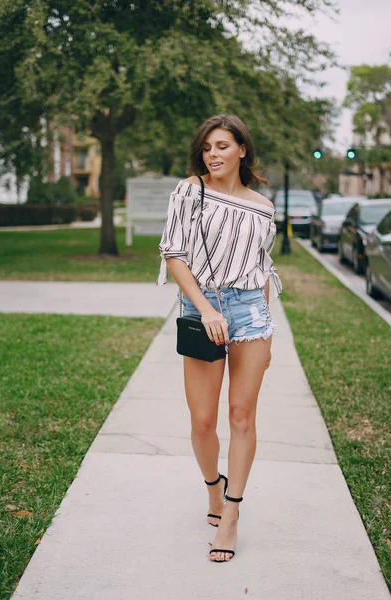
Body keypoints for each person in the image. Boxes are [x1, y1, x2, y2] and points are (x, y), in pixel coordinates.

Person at [157, 114, 282, 563]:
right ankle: (214, 486)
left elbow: (262, 269)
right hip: (201, 308)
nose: (214, 153)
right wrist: (207, 309)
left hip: (250, 312)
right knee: (203, 420)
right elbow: (173, 254)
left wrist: (266, 326)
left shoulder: (263, 207)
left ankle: (231, 514)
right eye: (208, 146)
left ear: (242, 150)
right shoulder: (190, 191)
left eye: (224, 146)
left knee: (242, 415)